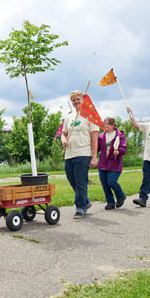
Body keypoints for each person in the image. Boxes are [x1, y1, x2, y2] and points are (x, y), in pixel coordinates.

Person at [61, 90, 98, 219]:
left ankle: (80, 207)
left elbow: (94, 138)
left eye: (78, 99)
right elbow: (63, 133)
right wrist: (64, 140)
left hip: (83, 153)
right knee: (71, 179)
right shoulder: (69, 117)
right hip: (69, 154)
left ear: (83, 100)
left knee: (81, 181)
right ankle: (86, 201)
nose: (76, 102)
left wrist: (94, 157)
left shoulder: (90, 116)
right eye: (74, 100)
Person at [97, 117, 127, 210]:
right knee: (105, 184)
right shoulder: (101, 136)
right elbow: (97, 148)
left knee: (111, 182)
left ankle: (121, 196)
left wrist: (119, 151)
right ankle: (110, 202)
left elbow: (123, 148)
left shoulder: (120, 136)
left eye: (108, 124)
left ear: (113, 125)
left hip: (115, 163)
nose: (106, 126)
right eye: (105, 124)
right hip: (102, 163)